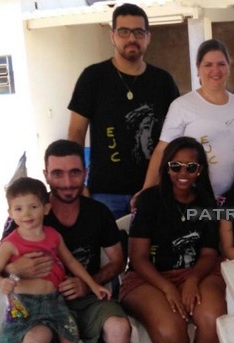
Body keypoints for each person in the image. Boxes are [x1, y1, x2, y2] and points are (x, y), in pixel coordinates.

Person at [1, 140, 131, 343]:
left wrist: (89, 283)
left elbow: (117, 261)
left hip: (87, 299)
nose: (67, 182)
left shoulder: (98, 212)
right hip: (41, 304)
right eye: (58, 174)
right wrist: (15, 268)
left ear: (85, 172)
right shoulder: (29, 210)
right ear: (46, 174)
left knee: (119, 328)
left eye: (75, 172)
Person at [0, 177, 111, 343]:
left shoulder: (53, 236)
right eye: (18, 209)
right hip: (23, 304)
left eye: (33, 207)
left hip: (54, 301)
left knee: (71, 336)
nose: (26, 214)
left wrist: (93, 285)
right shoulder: (10, 244)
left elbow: (71, 262)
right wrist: (2, 282)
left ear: (46, 208)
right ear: (10, 213)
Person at [121, 136, 226, 343]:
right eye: (175, 166)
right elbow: (138, 258)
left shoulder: (207, 203)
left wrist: (192, 280)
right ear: (166, 167)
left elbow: (209, 252)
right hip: (149, 276)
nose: (183, 173)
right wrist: (168, 287)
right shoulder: (150, 200)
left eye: (191, 167)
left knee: (213, 318)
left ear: (200, 170)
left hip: (198, 271)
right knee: (169, 332)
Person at [68, 3, 179, 219]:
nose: (132, 38)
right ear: (112, 36)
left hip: (153, 190)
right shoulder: (93, 77)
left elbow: (175, 136)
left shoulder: (163, 81)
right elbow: (76, 133)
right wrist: (77, 182)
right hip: (104, 193)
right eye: (124, 31)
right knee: (107, 243)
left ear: (148, 37)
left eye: (138, 32)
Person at [141, 38, 234, 201]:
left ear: (229, 67)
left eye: (221, 64)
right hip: (196, 199)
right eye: (208, 65)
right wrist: (146, 191)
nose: (215, 70)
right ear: (198, 69)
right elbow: (162, 150)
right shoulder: (182, 105)